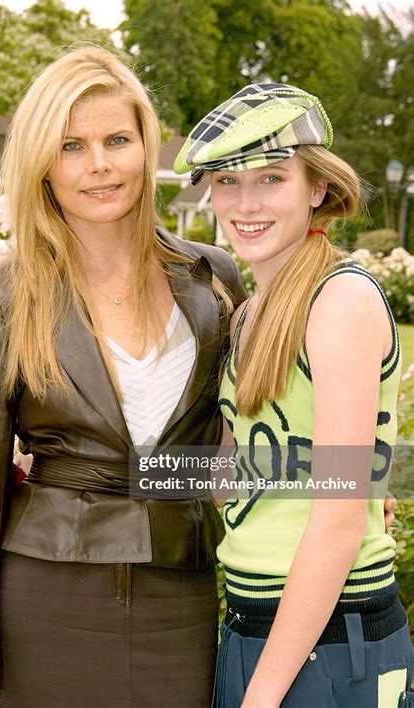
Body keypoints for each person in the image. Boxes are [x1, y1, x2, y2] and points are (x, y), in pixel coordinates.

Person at [0, 45, 248, 708]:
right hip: (44, 597)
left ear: (147, 147)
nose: (100, 164)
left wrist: (350, 480)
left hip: (181, 598)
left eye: (117, 139)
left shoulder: (213, 278)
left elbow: (227, 457)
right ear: (43, 164)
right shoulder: (7, 288)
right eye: (72, 145)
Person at [174, 84, 413, 707]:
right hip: (256, 627)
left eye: (271, 178)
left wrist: (261, 698)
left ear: (317, 189)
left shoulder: (341, 299)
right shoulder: (249, 314)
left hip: (329, 639)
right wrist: (73, 468)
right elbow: (232, 473)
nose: (245, 203)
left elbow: (337, 519)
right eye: (227, 182)